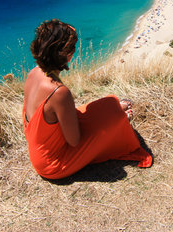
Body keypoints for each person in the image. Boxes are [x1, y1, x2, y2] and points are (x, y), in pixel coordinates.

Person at [23, 19, 152, 179]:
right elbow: (74, 140)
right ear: (66, 55)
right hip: (54, 163)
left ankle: (116, 114)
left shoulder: (33, 73)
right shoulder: (58, 92)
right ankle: (119, 122)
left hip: (39, 151)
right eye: (72, 48)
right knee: (114, 120)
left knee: (109, 103)